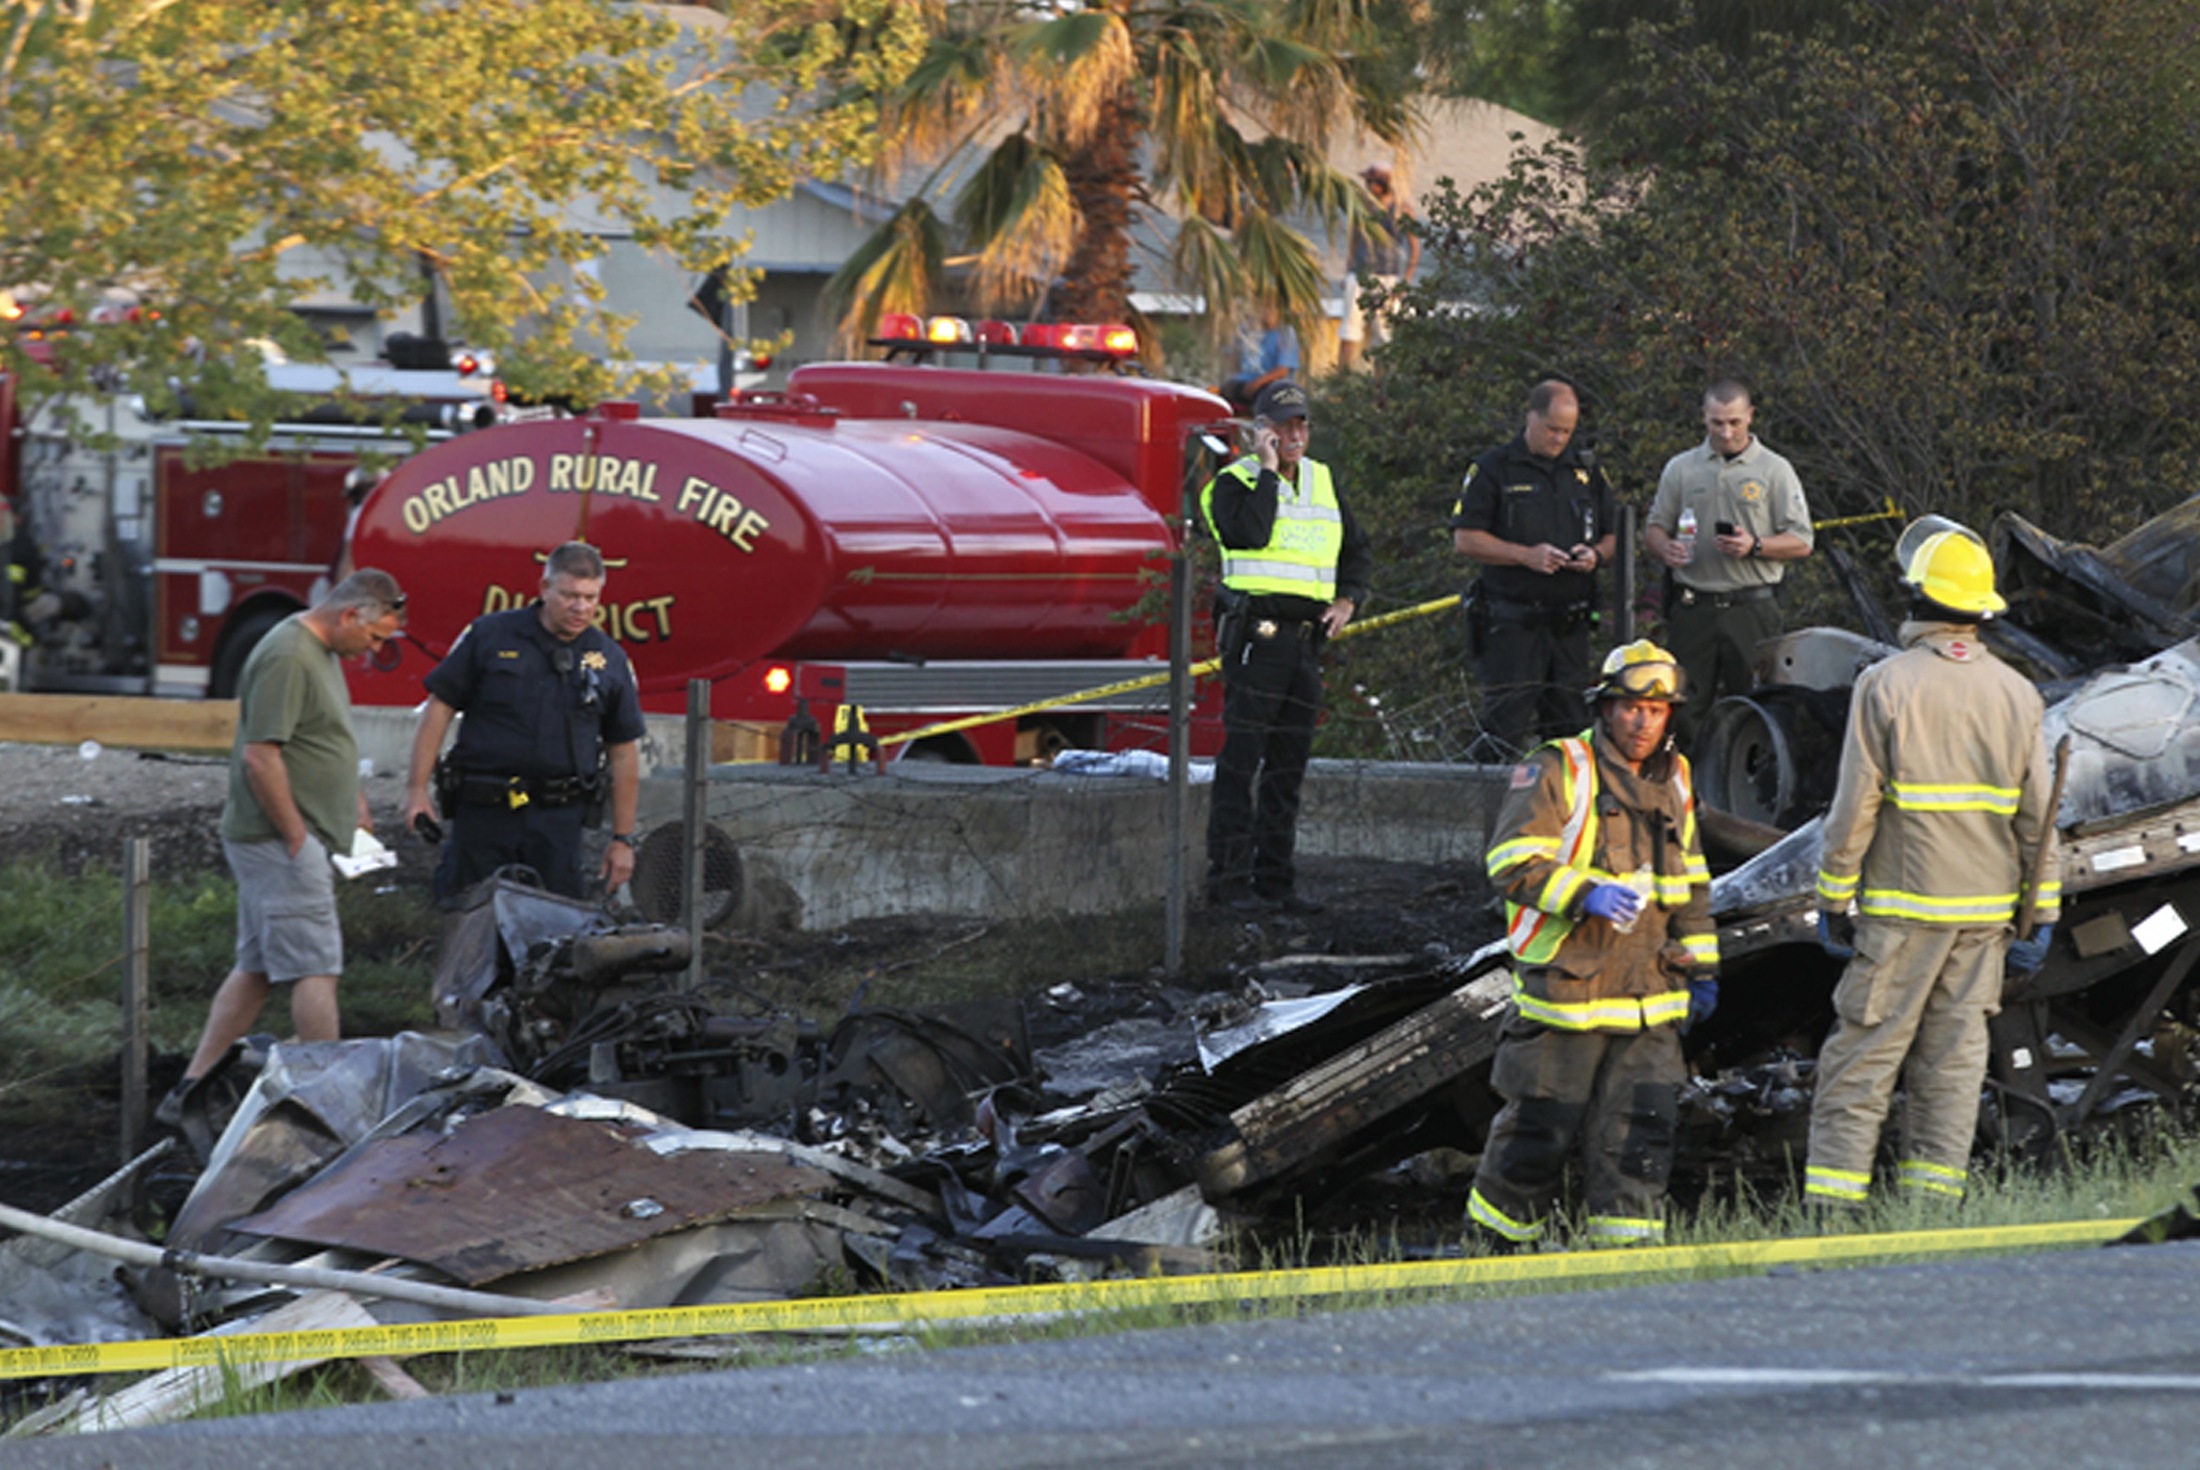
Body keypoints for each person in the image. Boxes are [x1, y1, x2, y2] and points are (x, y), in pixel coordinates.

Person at [1804, 521, 2060, 1213]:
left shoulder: (1886, 684)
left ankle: (1832, 1213)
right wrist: (2043, 915)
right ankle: (1931, 1216)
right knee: (1952, 1068)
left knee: (1862, 1061)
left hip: (1902, 913)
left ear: (1919, 597)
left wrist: (1834, 897)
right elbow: (2039, 821)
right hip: (1983, 918)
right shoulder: (2017, 692)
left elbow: (1855, 804)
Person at [1467, 640, 1720, 1249]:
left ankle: (1625, 1257)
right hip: (1568, 993)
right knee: (1538, 1128)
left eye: (1656, 712)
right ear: (1605, 708)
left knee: (1642, 1134)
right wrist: (1587, 895)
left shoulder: (1676, 776)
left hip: (1652, 995)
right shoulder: (1558, 767)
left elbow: (1690, 881)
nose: (1642, 721)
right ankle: (1497, 1248)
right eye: (1630, 707)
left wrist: (1705, 970)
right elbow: (1510, 861)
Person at [155, 570, 408, 1130]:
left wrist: (353, 797)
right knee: (317, 967)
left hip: (296, 835)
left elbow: (322, 737)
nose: (375, 650)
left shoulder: (321, 653)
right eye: (374, 638)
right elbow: (261, 755)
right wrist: (296, 834)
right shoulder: (288, 656)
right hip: (280, 841)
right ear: (349, 616)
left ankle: (191, 1089)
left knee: (257, 967)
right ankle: (328, 1102)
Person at [1200, 379, 1373, 915]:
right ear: (1261, 431)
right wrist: (1268, 470)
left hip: (1305, 644)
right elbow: (1249, 535)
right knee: (1243, 761)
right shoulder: (1230, 484)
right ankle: (1228, 884)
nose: (1294, 434)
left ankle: (1276, 883)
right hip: (1257, 637)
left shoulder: (1324, 480)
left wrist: (1349, 600)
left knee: (1287, 767)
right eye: (1281, 426)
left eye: (1300, 424)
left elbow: (1357, 550)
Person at [402, 541, 646, 906]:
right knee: (468, 919)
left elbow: (623, 751)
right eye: (570, 595)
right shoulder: (490, 636)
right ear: (544, 588)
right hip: (484, 813)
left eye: (591, 597)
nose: (581, 607)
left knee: (555, 929)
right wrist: (416, 789)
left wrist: (622, 839)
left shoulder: (609, 659)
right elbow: (439, 708)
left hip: (558, 822)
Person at [1452, 379, 1618, 760]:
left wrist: (1594, 555)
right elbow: (1466, 539)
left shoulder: (1586, 470)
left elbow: (1616, 536)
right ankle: (1493, 816)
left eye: (1567, 431)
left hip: (1570, 626)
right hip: (1514, 625)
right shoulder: (1494, 468)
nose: (1559, 439)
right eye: (1552, 429)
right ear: (1532, 417)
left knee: (1572, 734)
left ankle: (1564, 815)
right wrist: (1525, 555)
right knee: (1503, 730)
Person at [1644, 381, 1814, 746]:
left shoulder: (1774, 470)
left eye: (1735, 422)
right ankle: (1686, 791)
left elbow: (1802, 541)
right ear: (1703, 418)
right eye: (1716, 423)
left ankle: (1752, 791)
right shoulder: (1682, 468)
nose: (1725, 432)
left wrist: (1755, 545)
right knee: (1683, 709)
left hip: (1750, 607)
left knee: (1760, 709)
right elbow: (1655, 527)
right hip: (1694, 607)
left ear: (1750, 416)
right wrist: (1665, 548)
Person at [1338, 164, 1420, 371]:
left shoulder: (1402, 209)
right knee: (1349, 332)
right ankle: (1340, 382)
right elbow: (1354, 240)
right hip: (1359, 274)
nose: (1368, 186)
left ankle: (1379, 387)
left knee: (1383, 337)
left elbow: (1414, 248)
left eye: (1372, 182)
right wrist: (1347, 271)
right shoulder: (1362, 206)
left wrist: (1405, 281)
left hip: (1388, 277)